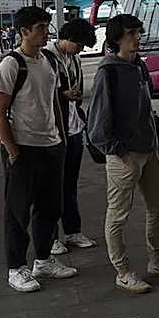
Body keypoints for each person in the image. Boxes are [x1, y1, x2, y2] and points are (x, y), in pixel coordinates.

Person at [87, 14, 159, 294]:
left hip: (149, 149)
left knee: (158, 208)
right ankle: (122, 272)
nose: (138, 38)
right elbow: (97, 121)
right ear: (117, 38)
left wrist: (155, 136)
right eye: (131, 33)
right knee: (118, 214)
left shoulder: (139, 65)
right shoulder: (108, 72)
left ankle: (157, 261)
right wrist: (117, 150)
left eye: (138, 32)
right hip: (125, 154)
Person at [0, 6, 78, 293]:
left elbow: (53, 101)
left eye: (46, 26)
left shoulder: (49, 61)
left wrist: (62, 138)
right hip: (24, 149)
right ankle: (16, 268)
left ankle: (43, 260)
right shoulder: (11, 65)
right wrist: (13, 152)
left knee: (50, 208)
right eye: (40, 27)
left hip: (52, 146)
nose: (46, 32)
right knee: (17, 212)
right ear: (24, 31)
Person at [44, 17, 98, 256]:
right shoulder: (46, 58)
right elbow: (42, 93)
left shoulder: (74, 59)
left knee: (70, 184)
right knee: (51, 187)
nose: (80, 49)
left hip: (74, 127)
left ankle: (72, 230)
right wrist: (62, 95)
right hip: (55, 131)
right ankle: (50, 237)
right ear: (67, 38)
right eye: (79, 44)